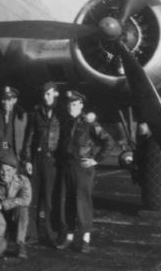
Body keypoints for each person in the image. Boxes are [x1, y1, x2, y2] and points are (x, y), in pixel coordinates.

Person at [55, 90, 113, 253]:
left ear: (81, 105)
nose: (71, 107)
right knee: (68, 202)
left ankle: (85, 239)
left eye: (74, 104)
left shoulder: (89, 122)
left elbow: (108, 141)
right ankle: (69, 237)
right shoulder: (66, 121)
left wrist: (95, 159)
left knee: (83, 203)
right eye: (69, 104)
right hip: (68, 166)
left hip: (82, 168)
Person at [23, 81, 62, 245]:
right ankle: (32, 234)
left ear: (56, 94)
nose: (47, 97)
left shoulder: (62, 113)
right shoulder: (36, 112)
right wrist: (27, 159)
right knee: (34, 198)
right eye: (45, 94)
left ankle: (52, 235)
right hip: (37, 159)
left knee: (50, 198)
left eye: (50, 93)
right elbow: (29, 137)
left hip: (52, 160)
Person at [0, 154, 32, 259]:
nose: (5, 173)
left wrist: (4, 203)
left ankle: (20, 244)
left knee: (23, 210)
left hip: (16, 216)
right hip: (0, 216)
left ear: (15, 171)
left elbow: (26, 199)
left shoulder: (23, 180)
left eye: (8, 170)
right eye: (2, 170)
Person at [0, 86, 28, 177]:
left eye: (9, 99)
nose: (6, 103)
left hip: (13, 154)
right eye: (4, 99)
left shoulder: (21, 117)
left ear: (15, 100)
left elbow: (27, 137)